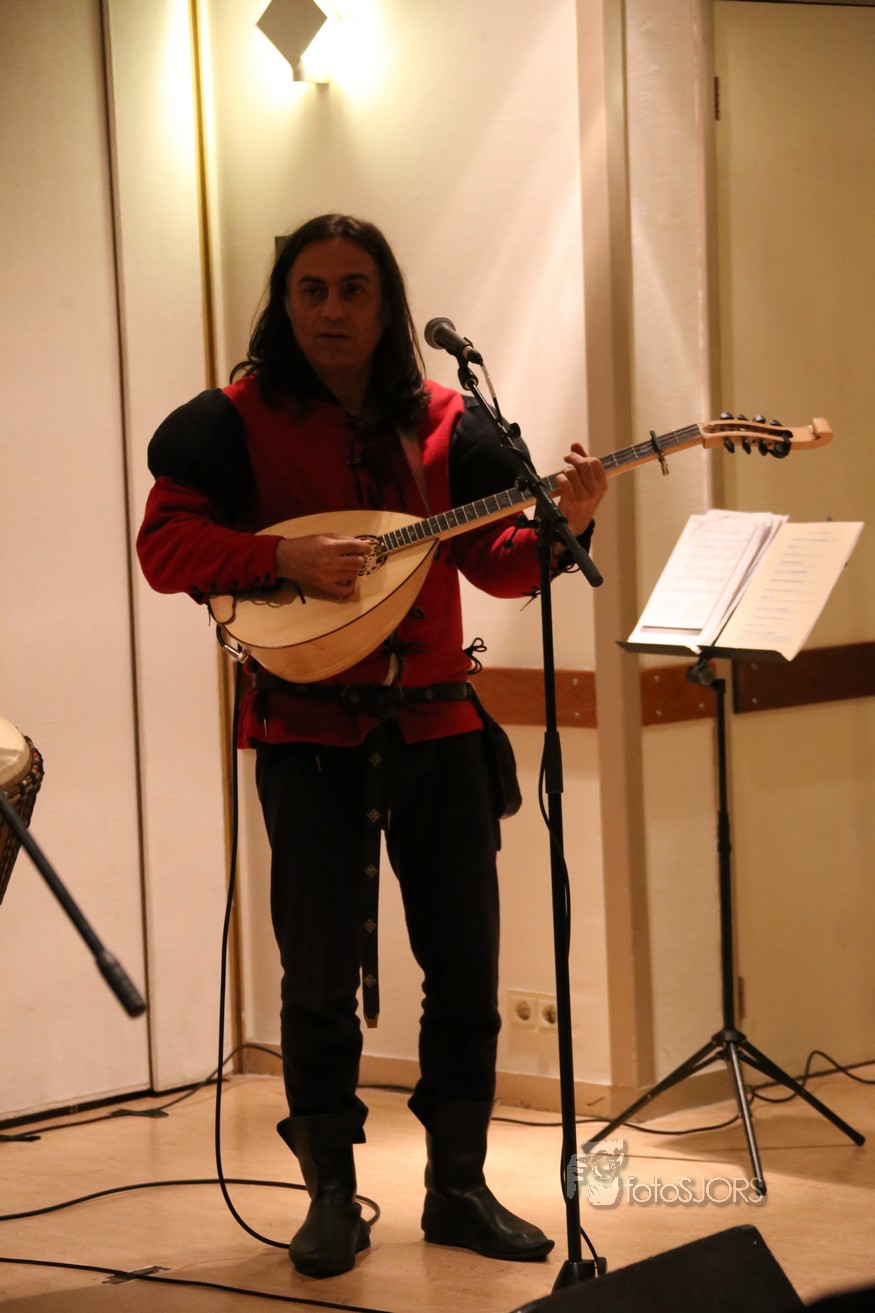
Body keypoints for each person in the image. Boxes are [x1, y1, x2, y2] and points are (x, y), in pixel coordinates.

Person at [137, 213, 607, 1279]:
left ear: (387, 303)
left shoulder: (444, 421)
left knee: (466, 969)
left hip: (439, 726)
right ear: (284, 302)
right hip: (305, 734)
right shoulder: (233, 421)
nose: (333, 310)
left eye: (354, 289)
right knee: (315, 975)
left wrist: (569, 520)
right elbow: (165, 546)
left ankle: (457, 1186)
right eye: (311, 290)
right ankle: (329, 1196)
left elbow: (496, 561)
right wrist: (282, 557)